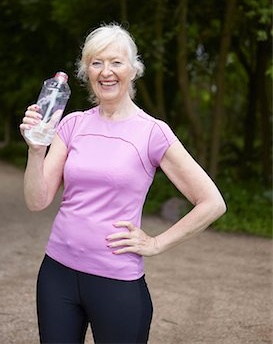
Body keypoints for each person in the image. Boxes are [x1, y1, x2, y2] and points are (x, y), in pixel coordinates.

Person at [19, 23, 226, 344]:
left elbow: (213, 202)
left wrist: (157, 243)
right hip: (56, 275)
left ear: (133, 69)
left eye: (116, 62)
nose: (106, 72)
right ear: (86, 71)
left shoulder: (152, 132)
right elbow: (36, 201)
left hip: (116, 281)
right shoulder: (71, 124)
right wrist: (36, 149)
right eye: (96, 62)